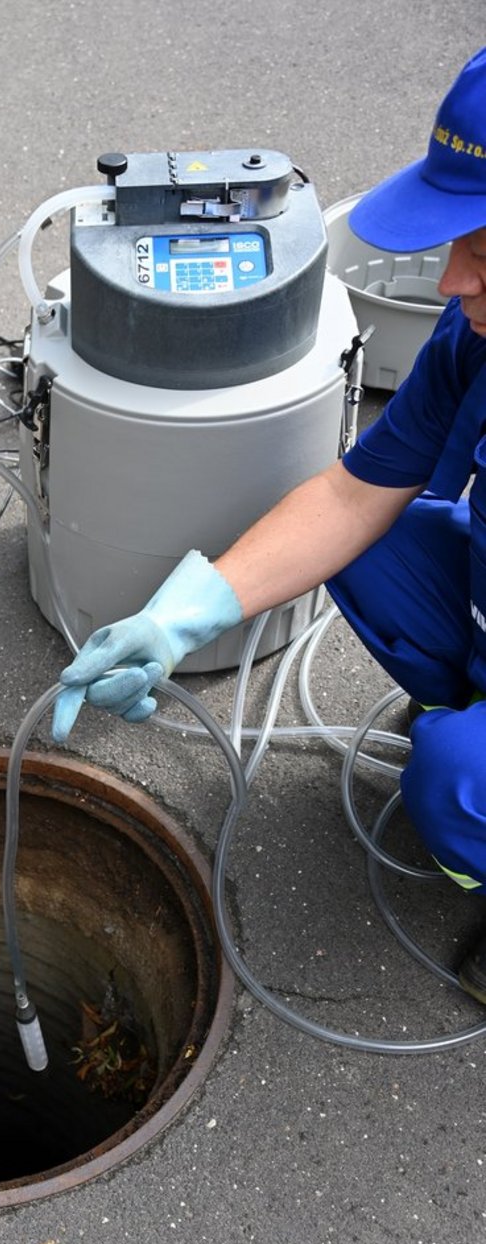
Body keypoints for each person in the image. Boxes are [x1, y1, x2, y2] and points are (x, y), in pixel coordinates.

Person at [52, 47, 486, 1003]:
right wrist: (178, 619)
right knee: (380, 546)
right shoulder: (475, 336)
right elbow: (354, 496)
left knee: (453, 780)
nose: (454, 281)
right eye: (460, 241)